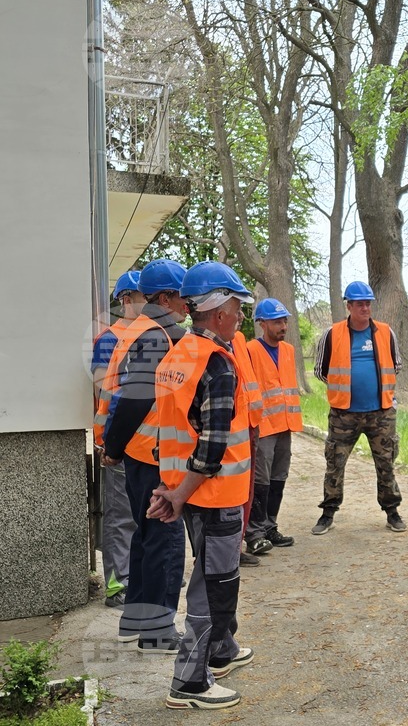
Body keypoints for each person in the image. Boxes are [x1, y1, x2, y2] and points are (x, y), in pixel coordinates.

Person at [148, 260, 257, 710]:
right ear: (218, 311)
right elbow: (211, 450)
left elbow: (167, 432)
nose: (240, 317)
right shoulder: (218, 365)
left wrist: (172, 490)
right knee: (213, 586)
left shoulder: (179, 354)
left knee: (212, 579)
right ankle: (190, 682)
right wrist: (177, 493)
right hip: (213, 496)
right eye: (237, 307)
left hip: (187, 493)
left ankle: (221, 650)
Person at [100, 259, 188, 653]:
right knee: (164, 543)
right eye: (182, 295)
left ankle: (136, 618)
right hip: (154, 456)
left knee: (145, 537)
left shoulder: (138, 330)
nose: (188, 304)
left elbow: (125, 398)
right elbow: (137, 400)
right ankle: (157, 632)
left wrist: (115, 447)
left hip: (139, 452)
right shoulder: (158, 336)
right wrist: (115, 450)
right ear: (166, 297)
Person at [312, 281, 406, 535]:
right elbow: (320, 371)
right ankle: (328, 512)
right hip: (344, 414)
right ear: (349, 306)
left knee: (386, 462)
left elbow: (396, 365)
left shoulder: (386, 332)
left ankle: (392, 511)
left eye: (368, 303)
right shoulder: (332, 334)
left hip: (381, 413)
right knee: (335, 462)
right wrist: (344, 389)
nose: (365, 308)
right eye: (360, 304)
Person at [92, 271, 142, 608]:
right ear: (125, 300)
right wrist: (112, 442)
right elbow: (104, 393)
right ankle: (116, 584)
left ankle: (136, 575)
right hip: (117, 442)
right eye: (143, 297)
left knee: (141, 515)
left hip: (145, 443)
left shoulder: (150, 335)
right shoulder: (109, 340)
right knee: (120, 517)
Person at [245, 298, 303, 554]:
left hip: (285, 425)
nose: (283, 326)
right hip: (262, 427)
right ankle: (254, 533)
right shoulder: (250, 350)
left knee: (279, 478)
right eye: (277, 321)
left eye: (285, 321)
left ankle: (270, 527)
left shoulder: (288, 351)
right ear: (262, 323)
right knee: (261, 480)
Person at [230, 330, 264, 567]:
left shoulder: (238, 339)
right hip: (231, 430)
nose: (240, 315)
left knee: (245, 492)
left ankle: (236, 545)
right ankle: (229, 549)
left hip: (248, 425)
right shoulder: (209, 344)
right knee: (230, 493)